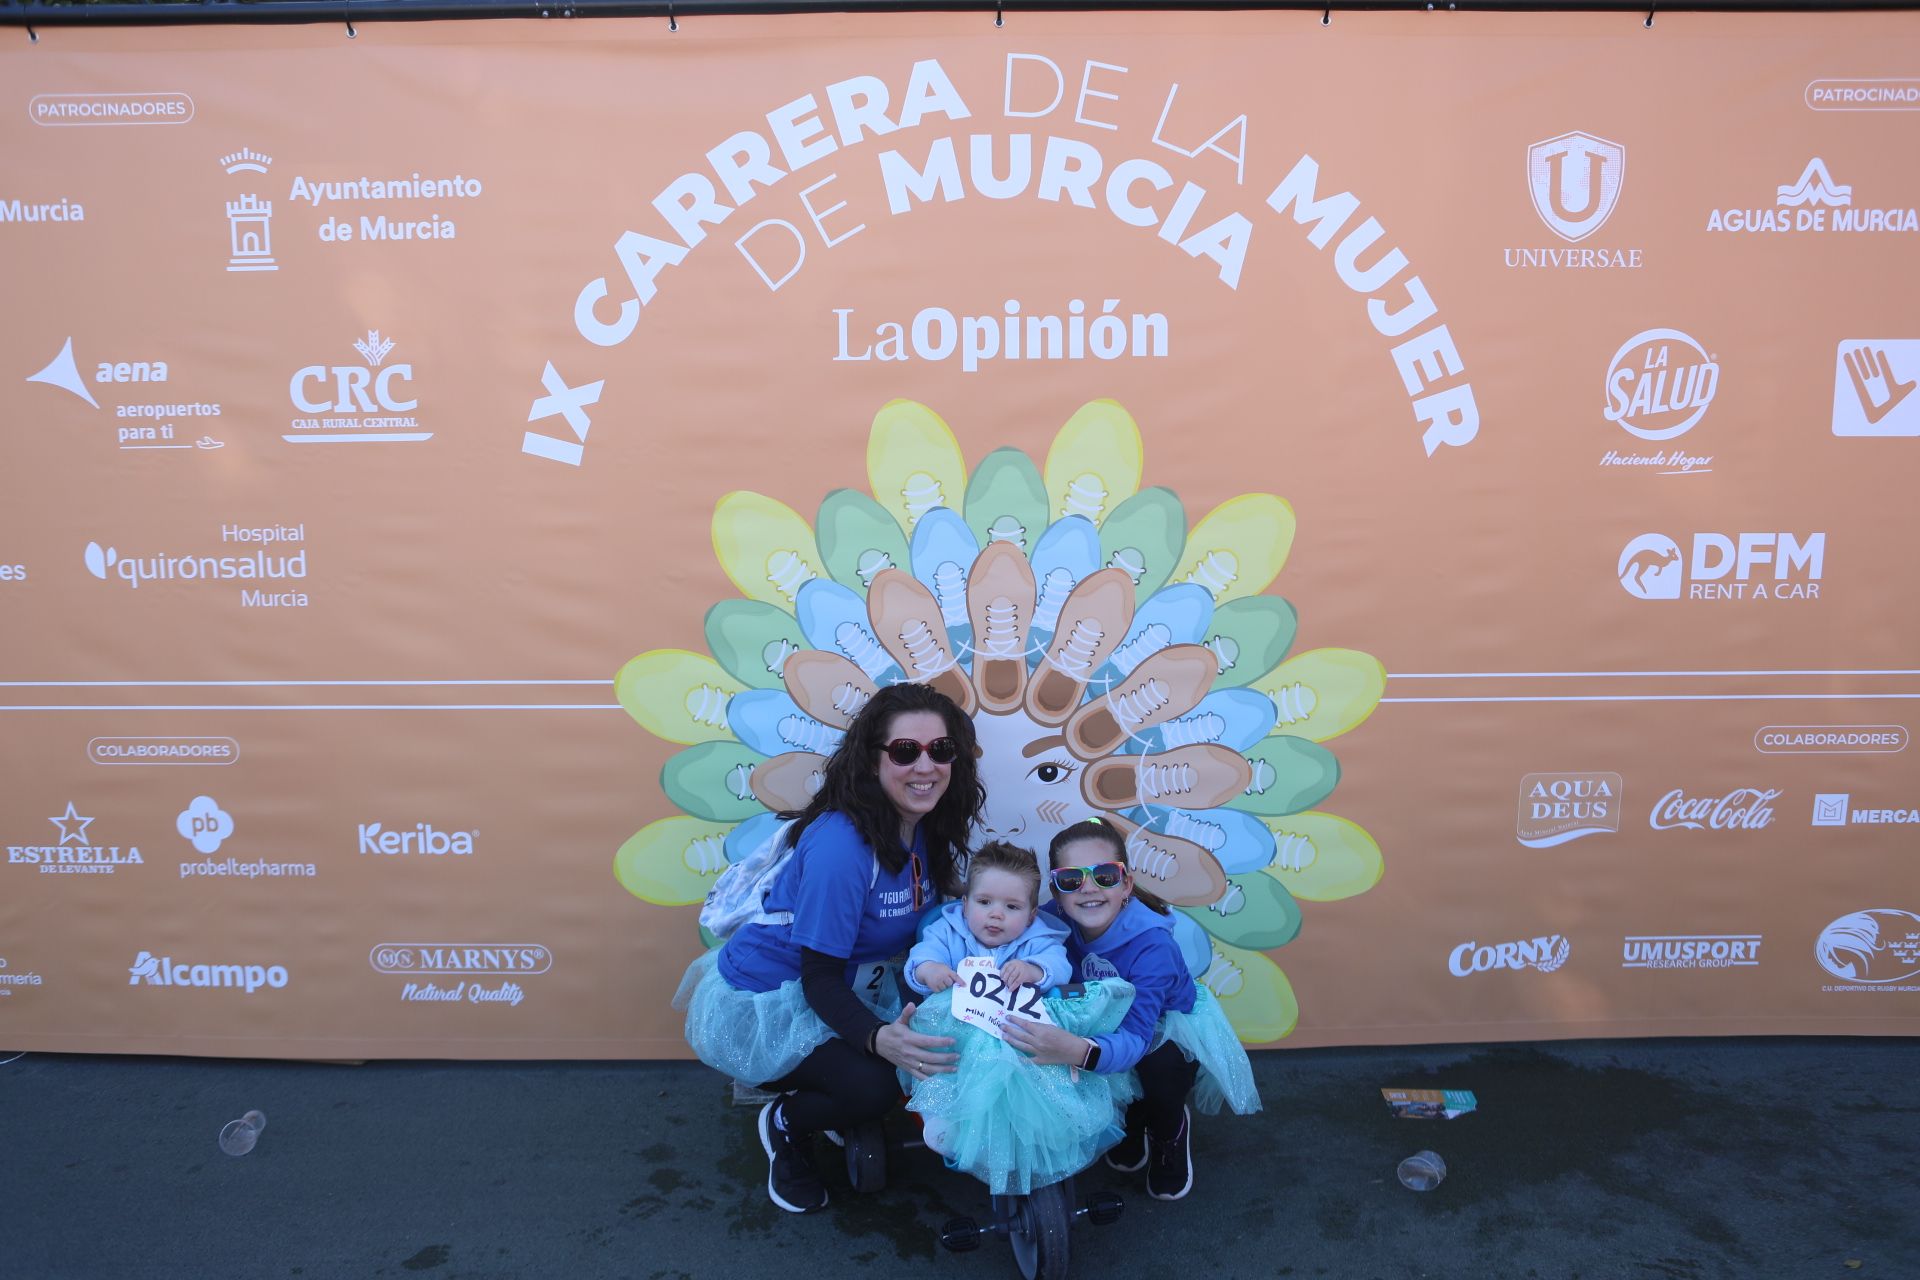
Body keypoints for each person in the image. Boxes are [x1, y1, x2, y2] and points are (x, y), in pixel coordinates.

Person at [673, 682, 982, 1214]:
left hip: (850, 984)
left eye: (942, 750)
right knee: (876, 1086)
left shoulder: (924, 823)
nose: (925, 766)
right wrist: (878, 1038)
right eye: (906, 751)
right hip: (773, 998)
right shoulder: (844, 847)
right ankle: (787, 1124)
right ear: (872, 759)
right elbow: (817, 978)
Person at [1001, 818, 1261, 1202]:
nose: (1088, 888)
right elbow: (994, 920)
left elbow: (1138, 1036)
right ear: (1056, 891)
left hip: (1160, 1029)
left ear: (1126, 883)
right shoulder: (1050, 924)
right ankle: (1131, 1120)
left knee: (1156, 1071)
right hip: (1100, 1018)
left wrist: (1075, 1050)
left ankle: (1167, 1126)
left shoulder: (1153, 947)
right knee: (1081, 1055)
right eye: (1072, 879)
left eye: (1104, 875)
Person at [901, 842, 1138, 1195]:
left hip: (1021, 1036)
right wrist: (929, 970)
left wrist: (1034, 969)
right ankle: (947, 1120)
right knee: (945, 1070)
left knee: (1043, 1083)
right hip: (960, 1035)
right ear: (964, 904)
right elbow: (921, 956)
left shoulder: (1038, 938)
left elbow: (1059, 966)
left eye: (1011, 907)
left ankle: (1047, 1129)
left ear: (1030, 915)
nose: (996, 915)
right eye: (984, 903)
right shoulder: (947, 930)